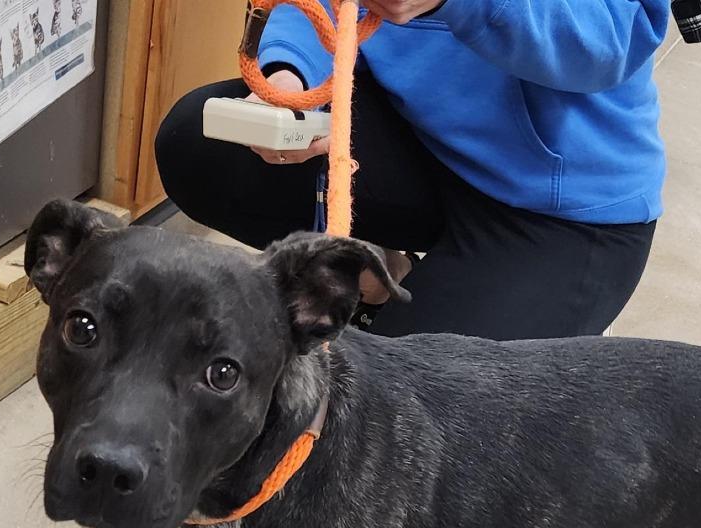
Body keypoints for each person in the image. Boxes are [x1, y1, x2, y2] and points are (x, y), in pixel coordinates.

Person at [155, 0, 670, 340]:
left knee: (404, 402)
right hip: (424, 143)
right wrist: (291, 74)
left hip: (561, 209)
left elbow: (612, 36)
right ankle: (376, 274)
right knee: (200, 144)